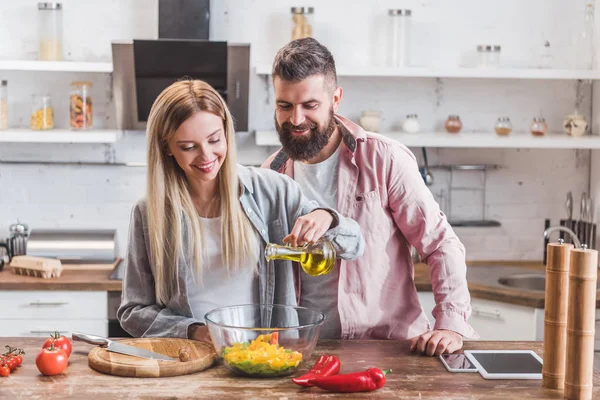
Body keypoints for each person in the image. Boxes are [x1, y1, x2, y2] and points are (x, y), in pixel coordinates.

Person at [262, 38, 478, 356]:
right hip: (304, 352)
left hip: (390, 348)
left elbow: (440, 243)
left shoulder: (383, 158)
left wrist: (450, 323)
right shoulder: (271, 174)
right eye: (285, 106)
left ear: (335, 99)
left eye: (310, 105)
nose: (296, 119)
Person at [118, 79, 364, 341]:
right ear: (167, 147)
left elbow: (354, 243)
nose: (206, 156)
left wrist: (326, 218)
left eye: (214, 140)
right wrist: (195, 332)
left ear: (226, 132)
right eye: (188, 147)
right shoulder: (148, 212)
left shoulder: (273, 191)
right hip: (189, 361)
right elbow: (133, 312)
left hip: (266, 358)